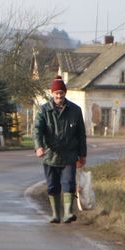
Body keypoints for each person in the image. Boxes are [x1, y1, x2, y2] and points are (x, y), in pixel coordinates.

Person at [34, 75, 87, 223]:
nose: (59, 96)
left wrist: (82, 155)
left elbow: (81, 134)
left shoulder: (75, 111)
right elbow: (37, 130)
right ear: (52, 94)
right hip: (50, 155)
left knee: (69, 183)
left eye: (61, 93)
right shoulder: (44, 111)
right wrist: (38, 147)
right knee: (52, 186)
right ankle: (56, 214)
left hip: (70, 155)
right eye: (56, 93)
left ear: (65, 93)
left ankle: (68, 213)